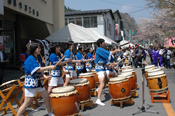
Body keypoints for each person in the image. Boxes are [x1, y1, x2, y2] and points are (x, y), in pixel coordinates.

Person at [17, 42, 55, 116]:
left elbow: (40, 71)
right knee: (27, 103)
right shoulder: (30, 59)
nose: (40, 49)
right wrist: (49, 67)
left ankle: (50, 113)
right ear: (34, 49)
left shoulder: (37, 58)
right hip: (31, 83)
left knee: (47, 97)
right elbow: (37, 70)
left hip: (38, 83)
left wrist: (45, 77)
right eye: (38, 48)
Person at [95, 38, 120, 106]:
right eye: (103, 43)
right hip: (99, 69)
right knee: (102, 84)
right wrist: (117, 50)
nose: (104, 44)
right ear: (100, 44)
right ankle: (98, 99)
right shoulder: (99, 49)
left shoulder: (101, 50)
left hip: (102, 67)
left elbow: (102, 62)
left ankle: (99, 89)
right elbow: (110, 53)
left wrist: (108, 66)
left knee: (106, 80)